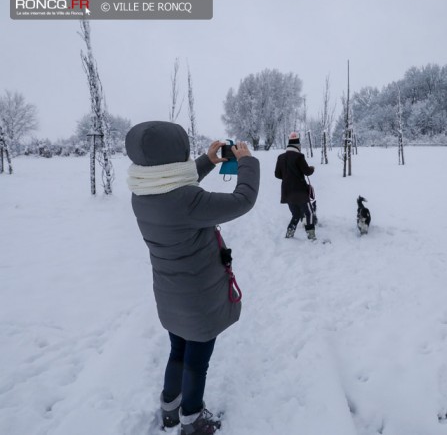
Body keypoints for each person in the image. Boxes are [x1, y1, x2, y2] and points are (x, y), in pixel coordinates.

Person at [125, 121, 259, 435]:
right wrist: (248, 163)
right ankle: (192, 418)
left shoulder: (142, 194)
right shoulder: (188, 202)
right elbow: (243, 200)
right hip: (199, 300)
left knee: (178, 351)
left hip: (170, 295)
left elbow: (170, 184)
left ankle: (170, 409)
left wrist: (207, 161)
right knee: (197, 360)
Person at [274, 131, 317, 240]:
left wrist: (287, 177)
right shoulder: (299, 156)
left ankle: (289, 233)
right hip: (300, 192)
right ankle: (311, 235)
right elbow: (307, 172)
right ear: (298, 145)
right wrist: (312, 168)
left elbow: (277, 174)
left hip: (287, 193)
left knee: (296, 214)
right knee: (309, 213)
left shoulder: (281, 157)